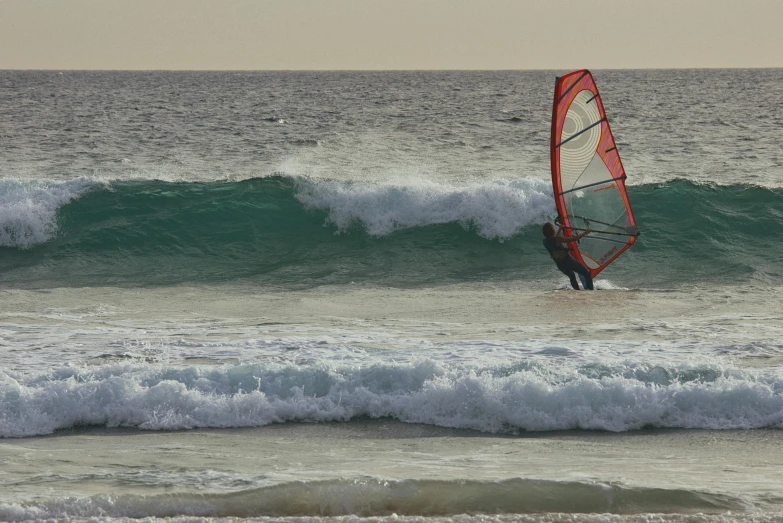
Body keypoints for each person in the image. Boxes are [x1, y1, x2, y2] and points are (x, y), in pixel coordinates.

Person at [542, 221, 594, 290]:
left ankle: (578, 292)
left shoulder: (545, 241)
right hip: (568, 262)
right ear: (552, 230)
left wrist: (560, 229)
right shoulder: (558, 239)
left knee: (572, 276)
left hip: (560, 265)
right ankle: (590, 291)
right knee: (586, 273)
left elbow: (554, 241)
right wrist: (585, 232)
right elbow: (574, 239)